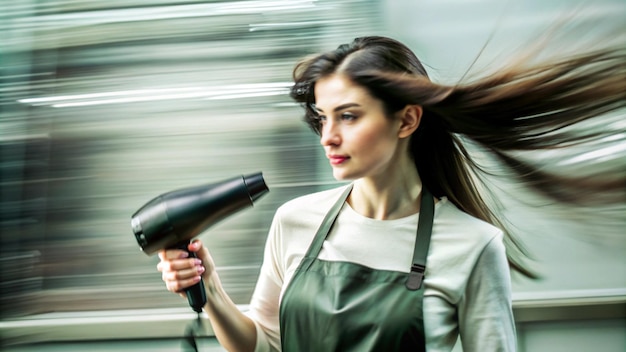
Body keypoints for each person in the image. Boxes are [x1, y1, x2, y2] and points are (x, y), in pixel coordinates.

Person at [157, 36, 625, 351]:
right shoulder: (294, 220)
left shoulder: (473, 245)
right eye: (323, 117)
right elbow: (261, 343)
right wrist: (211, 289)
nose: (327, 137)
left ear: (406, 120)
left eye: (350, 116)